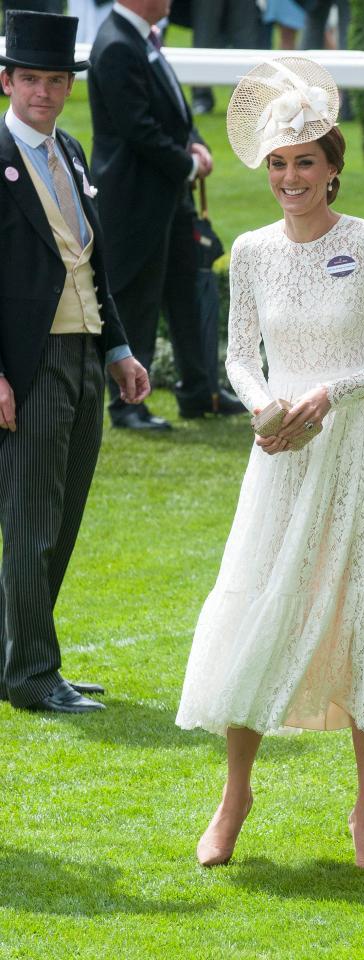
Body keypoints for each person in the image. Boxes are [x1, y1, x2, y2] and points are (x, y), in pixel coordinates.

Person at [176, 57, 364, 871]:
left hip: (358, 447)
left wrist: (330, 394)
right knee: (262, 604)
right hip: (280, 451)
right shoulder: (251, 251)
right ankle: (235, 795)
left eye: (306, 164)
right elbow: (239, 357)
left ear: (332, 169)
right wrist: (264, 406)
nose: (291, 178)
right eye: (280, 164)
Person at [0, 9, 150, 713]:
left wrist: (117, 348)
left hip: (85, 356)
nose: (44, 92)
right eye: (31, 78)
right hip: (27, 366)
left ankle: (20, 656)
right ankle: (31, 676)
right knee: (30, 525)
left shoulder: (72, 153)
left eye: (56, 80)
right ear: (7, 80)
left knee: (60, 520)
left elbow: (92, 261)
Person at [88, 0, 243, 430]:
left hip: (167, 196)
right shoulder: (118, 44)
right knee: (137, 301)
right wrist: (188, 163)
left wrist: (194, 142)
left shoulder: (140, 38)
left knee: (187, 293)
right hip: (136, 201)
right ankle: (127, 406)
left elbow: (172, 112)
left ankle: (200, 391)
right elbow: (137, 128)